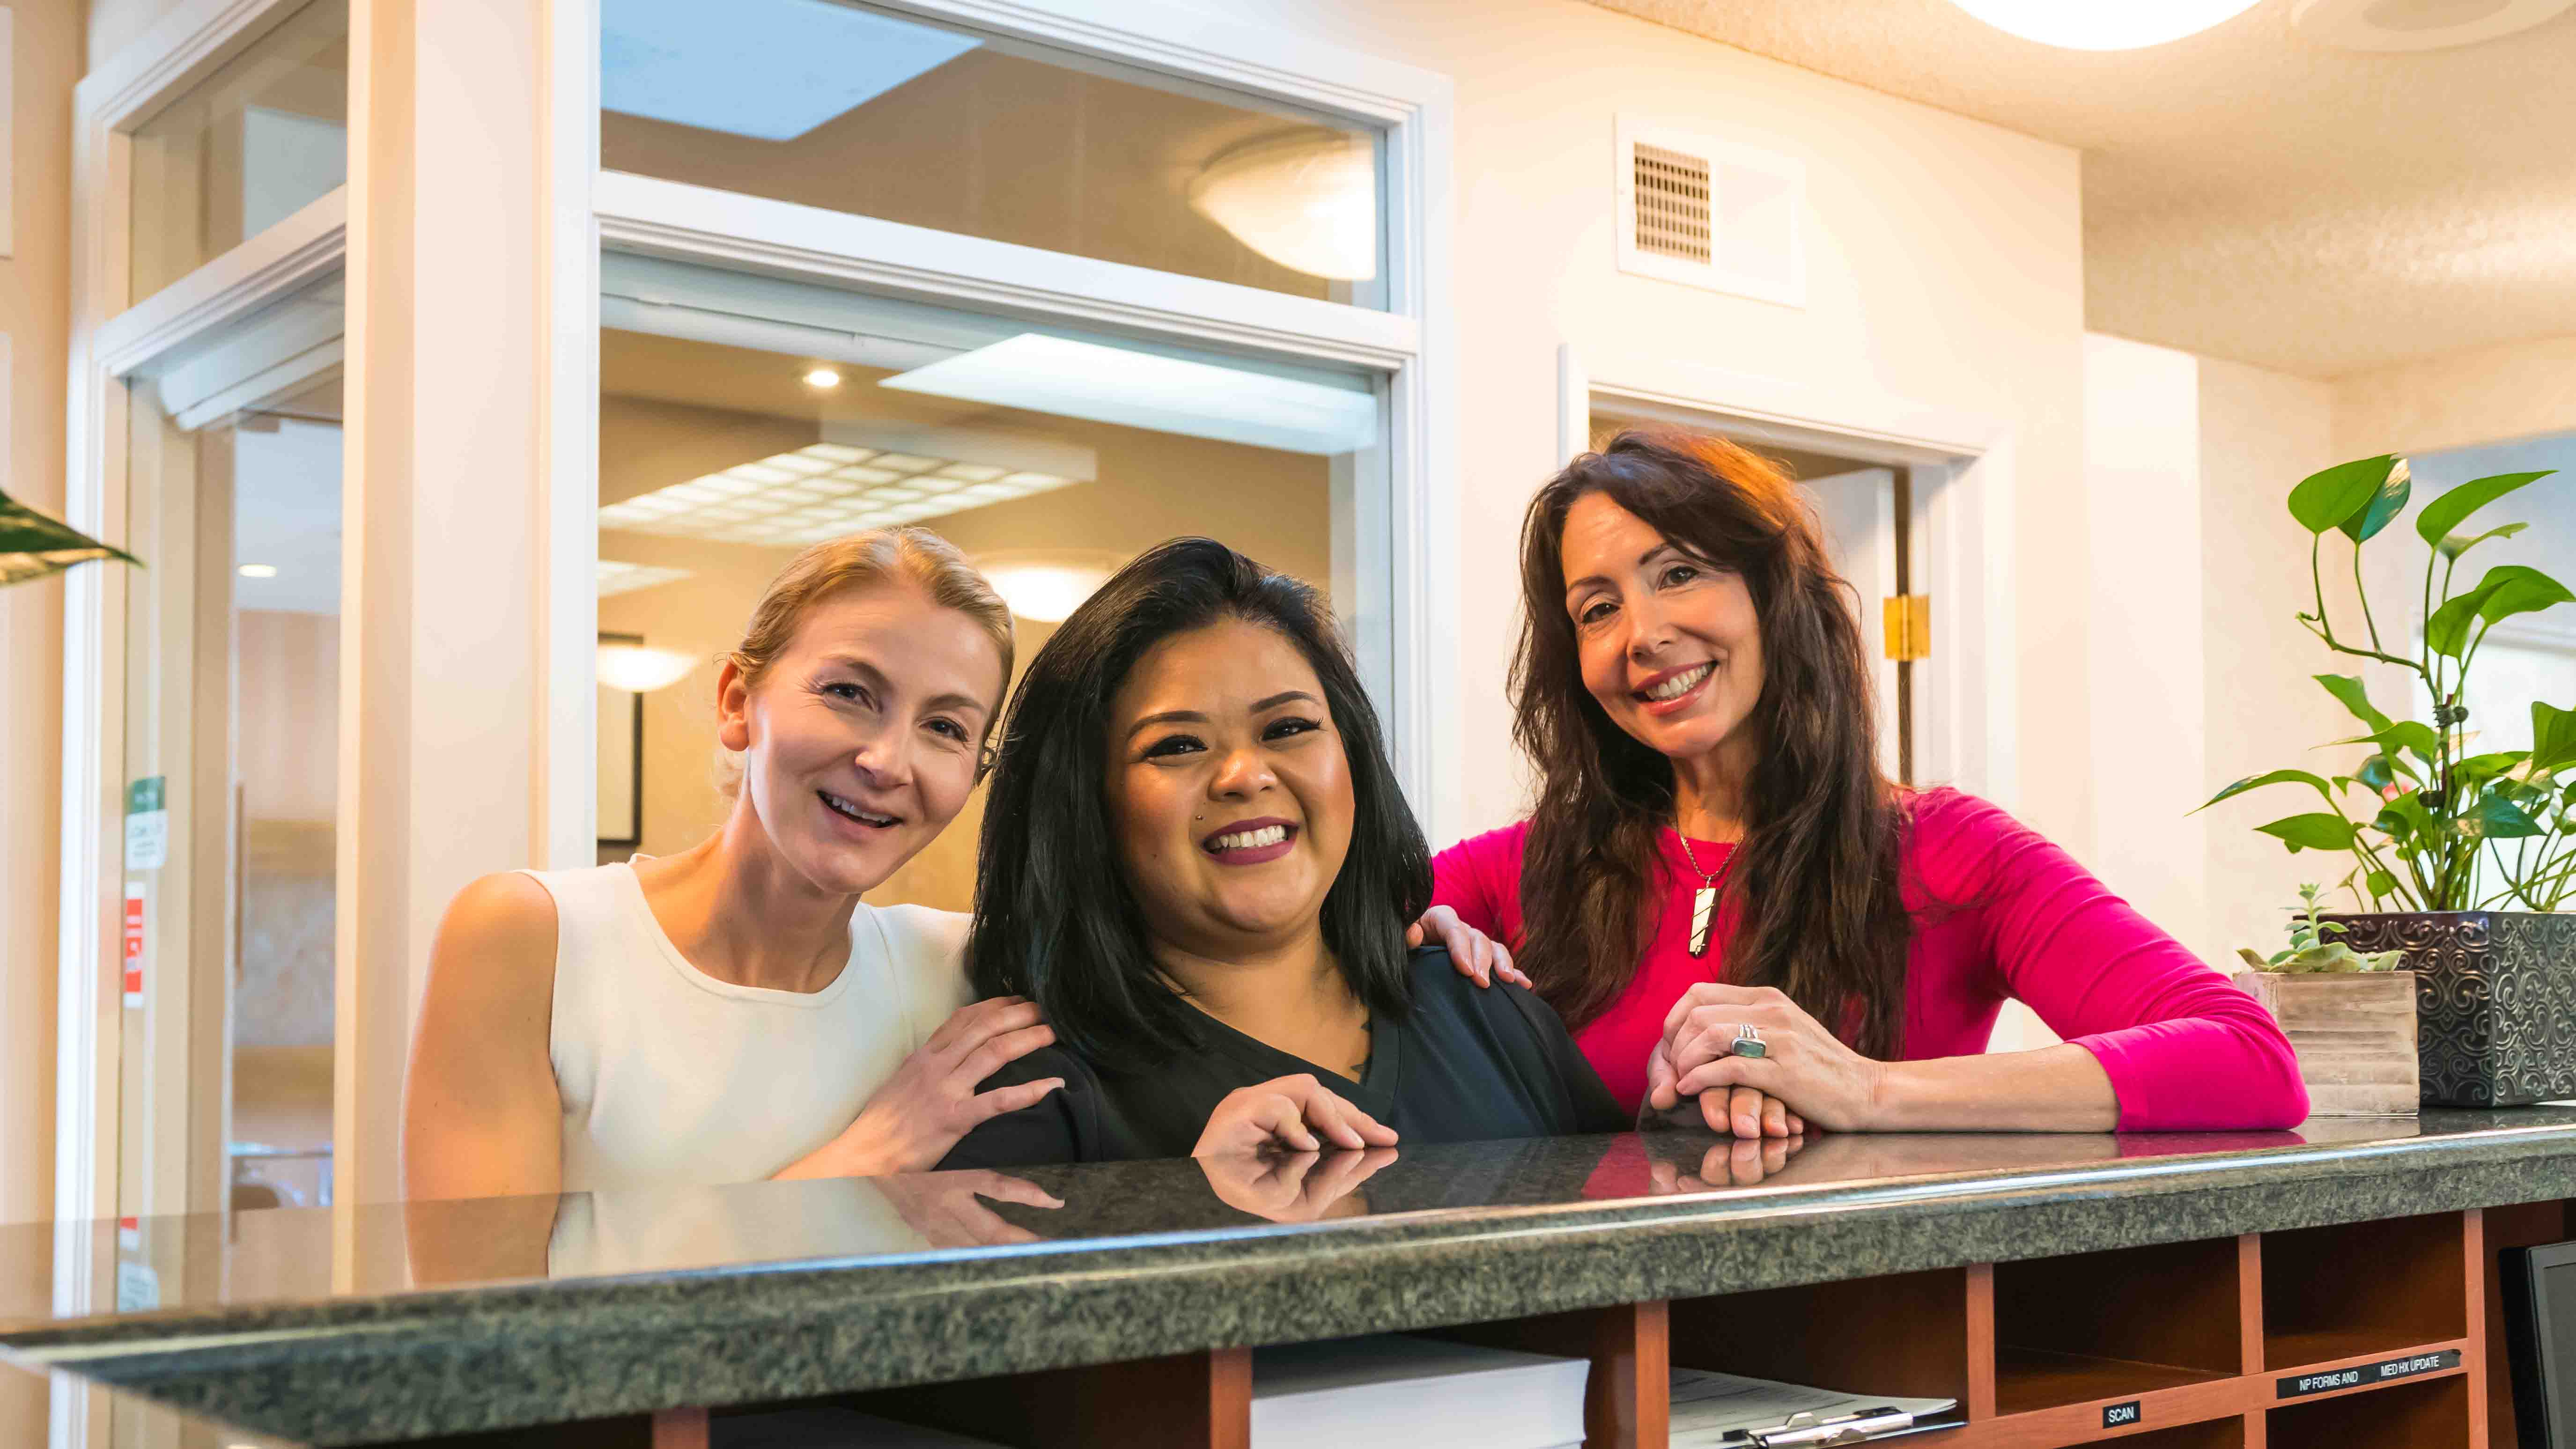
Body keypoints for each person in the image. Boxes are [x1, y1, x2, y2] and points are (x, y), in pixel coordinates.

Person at [403, 528, 1512, 1199]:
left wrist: (1415, 927)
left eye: (944, 728)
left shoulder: (962, 974)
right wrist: (869, 1154)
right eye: (849, 693)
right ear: (741, 701)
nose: (886, 760)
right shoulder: (532, 935)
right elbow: (489, 1332)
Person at [1430, 430, 2308, 1140]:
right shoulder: (1517, 872)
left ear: (1774, 593)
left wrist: (1867, 1090)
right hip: (1601, 1345)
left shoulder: (1948, 851)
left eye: (1679, 573)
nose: (1643, 634)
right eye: (1597, 609)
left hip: (1884, 1336)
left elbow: (2247, 1060)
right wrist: (1391, 933)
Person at [939, 539, 1627, 1169]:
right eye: (1176, 745)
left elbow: (1637, 1279)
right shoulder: (1027, 1092)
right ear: (1085, 805)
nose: (1245, 774)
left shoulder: (1489, 1014)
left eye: (1288, 728)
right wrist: (1192, 1219)